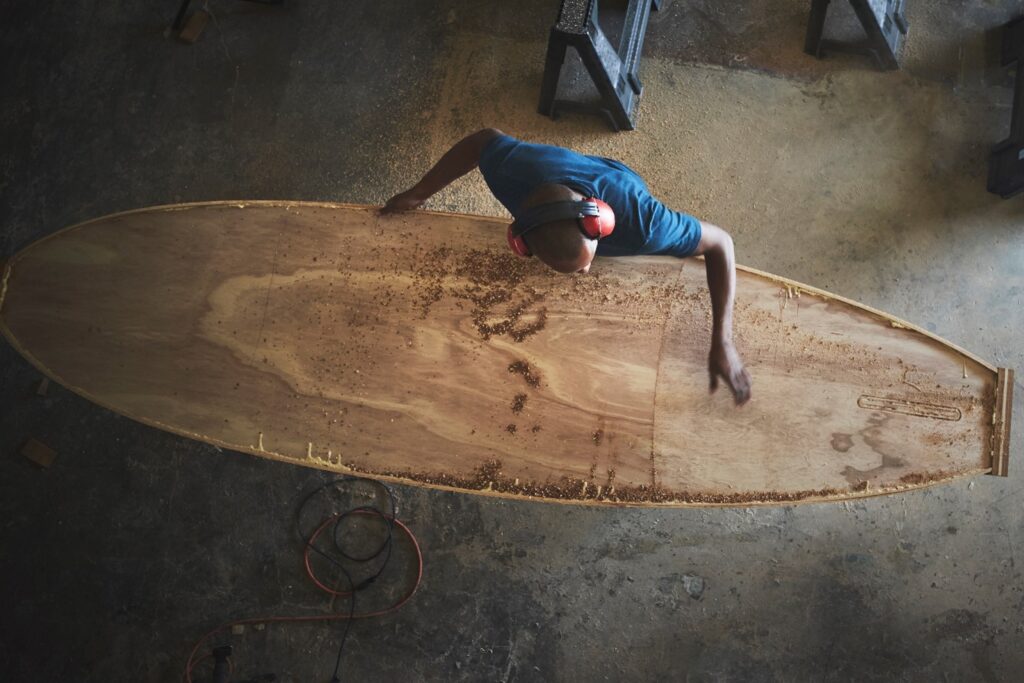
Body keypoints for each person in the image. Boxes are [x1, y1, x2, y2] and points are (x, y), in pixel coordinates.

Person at [382, 128, 752, 405]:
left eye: (582, 265)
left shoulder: (646, 223)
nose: (586, 275)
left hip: (614, 181)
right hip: (550, 174)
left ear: (600, 226)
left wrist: (723, 339)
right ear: (522, 241)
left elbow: (722, 242)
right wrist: (418, 193)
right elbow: (479, 142)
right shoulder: (510, 168)